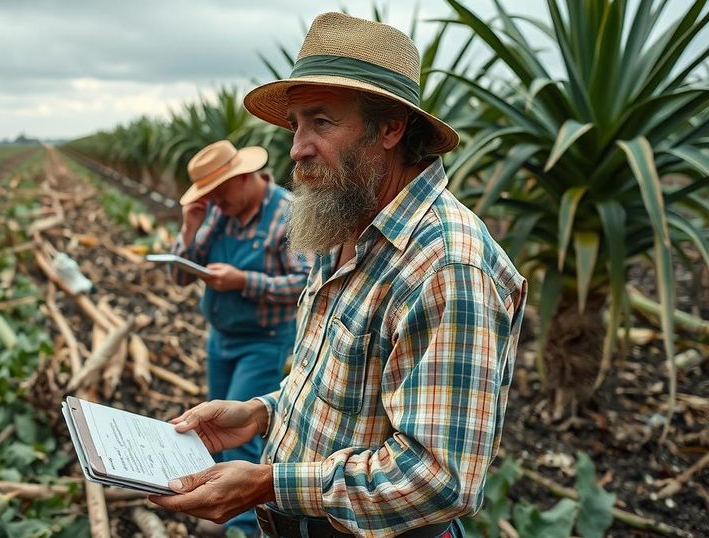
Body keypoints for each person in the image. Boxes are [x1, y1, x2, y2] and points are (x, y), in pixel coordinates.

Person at [151, 13, 527, 538]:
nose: (298, 147)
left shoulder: (446, 265)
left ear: (391, 126)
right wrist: (261, 412)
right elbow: (341, 391)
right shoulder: (342, 222)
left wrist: (267, 484)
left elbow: (440, 479)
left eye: (321, 122)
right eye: (296, 124)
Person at [169, 139, 311, 536]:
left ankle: (246, 525)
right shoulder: (216, 215)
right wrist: (189, 229)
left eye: (220, 190)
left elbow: (306, 282)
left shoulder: (289, 214)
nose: (215, 200)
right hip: (221, 337)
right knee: (215, 428)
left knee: (243, 433)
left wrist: (243, 281)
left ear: (245, 176)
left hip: (264, 340)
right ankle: (223, 505)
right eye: (207, 195)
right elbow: (179, 275)